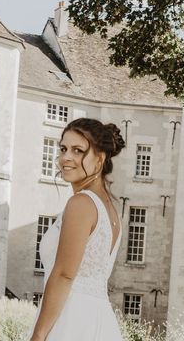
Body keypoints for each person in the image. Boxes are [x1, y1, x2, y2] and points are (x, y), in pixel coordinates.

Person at [29, 118, 126, 341]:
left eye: (78, 150)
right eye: (63, 149)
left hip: (71, 320)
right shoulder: (109, 210)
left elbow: (64, 274)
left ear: (100, 159)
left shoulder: (81, 204)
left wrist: (38, 336)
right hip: (99, 320)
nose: (66, 158)